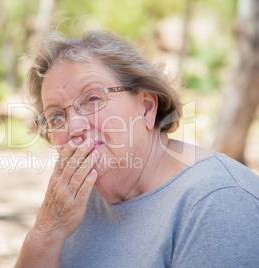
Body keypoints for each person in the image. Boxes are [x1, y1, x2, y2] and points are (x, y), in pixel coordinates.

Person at [15, 29, 259, 267]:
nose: (74, 126)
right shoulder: (72, 200)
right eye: (56, 115)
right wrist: (46, 232)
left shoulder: (218, 201)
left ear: (146, 107)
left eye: (92, 99)